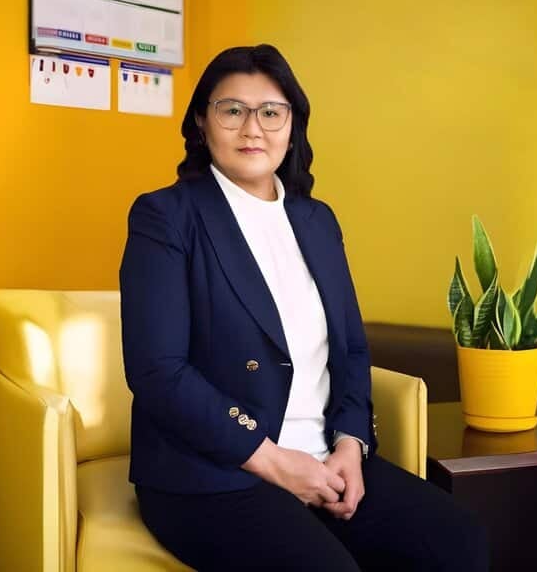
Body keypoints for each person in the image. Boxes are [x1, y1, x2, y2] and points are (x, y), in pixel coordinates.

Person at [119, 44, 490, 570]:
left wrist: (350, 447)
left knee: (457, 539)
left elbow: (351, 351)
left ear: (293, 124)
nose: (253, 129)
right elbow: (158, 373)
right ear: (202, 121)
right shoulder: (166, 216)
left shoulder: (317, 221)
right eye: (232, 110)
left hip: (324, 457)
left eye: (271, 112)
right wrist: (274, 462)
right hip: (213, 471)